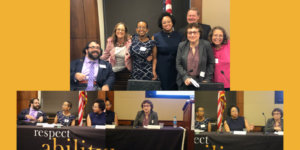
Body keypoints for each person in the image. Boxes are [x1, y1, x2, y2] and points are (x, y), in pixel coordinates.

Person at [176, 23, 215, 90]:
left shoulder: (206, 45)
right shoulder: (181, 45)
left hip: (201, 81)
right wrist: (185, 77)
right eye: (190, 33)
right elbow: (178, 64)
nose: (192, 35)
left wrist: (207, 79)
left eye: (195, 32)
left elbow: (211, 63)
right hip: (185, 81)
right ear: (187, 35)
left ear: (199, 34)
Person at [153, 12, 182, 90]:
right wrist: (154, 71)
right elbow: (154, 56)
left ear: (172, 22)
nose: (167, 24)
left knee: (175, 89)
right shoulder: (156, 36)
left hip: (176, 68)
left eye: (169, 21)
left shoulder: (179, 35)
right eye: (164, 22)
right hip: (162, 68)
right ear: (161, 24)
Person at [101, 22, 132, 90]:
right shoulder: (110, 41)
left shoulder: (130, 42)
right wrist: (97, 61)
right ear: (115, 31)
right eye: (118, 29)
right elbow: (106, 54)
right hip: (113, 69)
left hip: (125, 70)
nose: (120, 31)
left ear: (125, 32)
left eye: (122, 30)